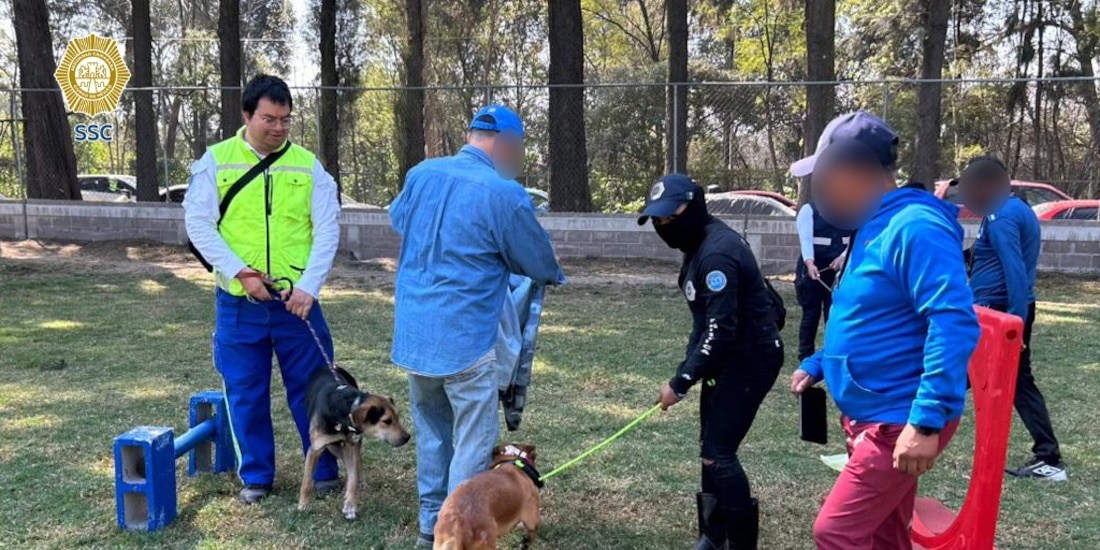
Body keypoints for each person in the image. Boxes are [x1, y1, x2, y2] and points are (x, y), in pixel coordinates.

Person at [787, 112, 980, 550]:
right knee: (884, 535)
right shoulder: (873, 225)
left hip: (898, 418)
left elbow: (952, 321)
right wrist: (821, 362)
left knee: (836, 532)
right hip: (876, 414)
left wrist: (926, 422)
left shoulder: (915, 227)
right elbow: (873, 315)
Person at [388, 104, 566, 547]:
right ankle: (459, 531)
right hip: (466, 341)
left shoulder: (421, 174)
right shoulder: (504, 193)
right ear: (506, 144)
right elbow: (540, 263)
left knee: (433, 431)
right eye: (518, 150)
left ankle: (431, 525)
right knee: (472, 438)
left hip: (415, 337)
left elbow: (398, 220)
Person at [183, 74, 342, 504]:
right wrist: (241, 273)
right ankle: (256, 476)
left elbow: (327, 229)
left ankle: (323, 469)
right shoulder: (216, 161)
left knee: (314, 389)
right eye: (269, 119)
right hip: (239, 304)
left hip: (296, 303)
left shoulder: (308, 165)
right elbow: (199, 225)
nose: (278, 127)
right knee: (245, 392)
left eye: (285, 120)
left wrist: (309, 287)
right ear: (246, 116)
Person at [643, 174, 784, 550]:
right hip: (727, 357)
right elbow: (704, 324)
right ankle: (713, 534)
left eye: (670, 217)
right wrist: (688, 368)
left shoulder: (717, 254)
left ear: (694, 208)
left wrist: (680, 382)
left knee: (718, 453)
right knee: (709, 446)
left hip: (751, 359)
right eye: (658, 219)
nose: (663, 226)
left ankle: (737, 543)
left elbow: (720, 332)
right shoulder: (698, 244)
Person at [954, 155, 1066, 481]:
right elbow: (987, 255)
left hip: (1000, 313)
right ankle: (1048, 454)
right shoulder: (1012, 209)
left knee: (963, 372)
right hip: (999, 310)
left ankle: (1050, 458)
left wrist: (1015, 325)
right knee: (1006, 381)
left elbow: (1014, 270)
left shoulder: (1001, 215)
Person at [794, 201, 848, 361]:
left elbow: (857, 236)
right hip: (813, 268)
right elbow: (806, 240)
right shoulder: (809, 209)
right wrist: (810, 263)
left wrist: (843, 257)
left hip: (839, 270)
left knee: (833, 314)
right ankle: (805, 356)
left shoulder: (850, 210)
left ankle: (832, 353)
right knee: (811, 314)